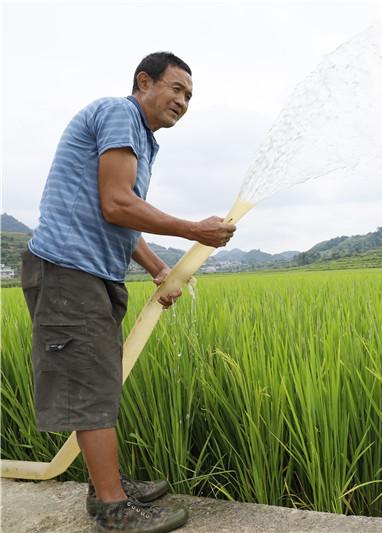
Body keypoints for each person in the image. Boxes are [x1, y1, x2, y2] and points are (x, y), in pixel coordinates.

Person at [21, 51, 235, 532]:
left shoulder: (141, 139)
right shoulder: (120, 113)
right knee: (89, 386)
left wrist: (159, 269)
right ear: (144, 82)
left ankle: (106, 485)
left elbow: (122, 219)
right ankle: (114, 509)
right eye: (176, 88)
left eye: (189, 96)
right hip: (68, 270)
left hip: (89, 272)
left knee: (97, 380)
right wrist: (193, 229)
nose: (183, 101)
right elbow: (117, 204)